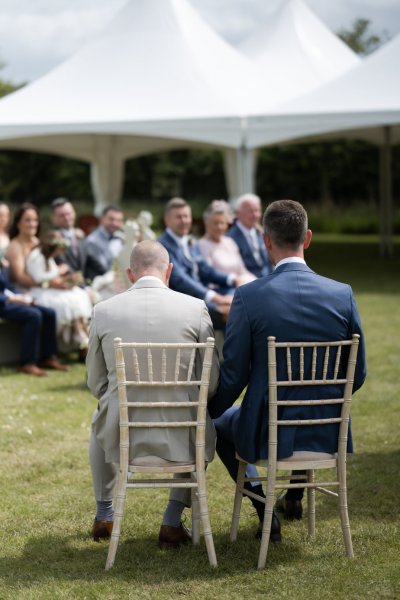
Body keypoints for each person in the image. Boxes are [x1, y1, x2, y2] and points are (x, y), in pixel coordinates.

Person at [208, 199, 367, 540]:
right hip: (326, 431)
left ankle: (265, 511)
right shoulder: (343, 294)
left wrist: (207, 412)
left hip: (266, 431)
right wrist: (322, 404)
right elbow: (359, 372)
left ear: (266, 241)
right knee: (301, 411)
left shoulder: (249, 296)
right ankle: (294, 495)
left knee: (221, 425)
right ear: (307, 238)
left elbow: (233, 374)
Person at [87, 240, 219, 548]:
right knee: (198, 417)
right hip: (183, 436)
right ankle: (172, 520)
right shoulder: (195, 308)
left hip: (123, 434)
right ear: (169, 271)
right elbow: (209, 383)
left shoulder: (103, 310)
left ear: (130, 274)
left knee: (98, 420)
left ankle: (104, 513)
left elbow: (95, 383)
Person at [158, 197, 236, 329]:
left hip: (201, 294)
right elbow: (180, 280)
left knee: (239, 293)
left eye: (186, 216)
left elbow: (205, 269)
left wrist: (232, 279)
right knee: (234, 313)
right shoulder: (162, 245)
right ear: (167, 220)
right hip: (183, 301)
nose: (184, 221)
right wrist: (215, 297)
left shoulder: (189, 241)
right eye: (178, 217)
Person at [0, 258, 69, 376]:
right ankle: (27, 363)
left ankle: (48, 357)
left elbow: (7, 287)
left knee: (49, 312)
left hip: (9, 301)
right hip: (3, 304)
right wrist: (12, 299)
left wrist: (24, 295)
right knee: (34, 315)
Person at [26, 230, 92, 349]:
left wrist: (64, 279)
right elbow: (39, 278)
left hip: (49, 288)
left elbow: (53, 276)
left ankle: (82, 335)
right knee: (67, 302)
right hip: (40, 291)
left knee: (80, 294)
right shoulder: (37, 255)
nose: (60, 252)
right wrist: (59, 271)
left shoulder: (49, 257)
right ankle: (79, 338)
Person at [197, 200, 255, 285]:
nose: (219, 227)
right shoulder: (201, 245)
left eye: (222, 223)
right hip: (222, 289)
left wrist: (257, 282)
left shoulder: (230, 242)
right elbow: (210, 274)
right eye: (215, 223)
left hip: (241, 284)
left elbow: (242, 270)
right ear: (207, 223)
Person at [227, 193, 272, 278]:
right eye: (250, 211)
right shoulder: (230, 238)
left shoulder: (261, 233)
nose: (255, 215)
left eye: (257, 211)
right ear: (238, 213)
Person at [84, 206, 125, 282]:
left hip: (121, 279)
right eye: (111, 219)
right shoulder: (92, 241)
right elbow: (102, 268)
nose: (115, 223)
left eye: (119, 220)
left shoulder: (122, 237)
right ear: (102, 219)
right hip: (102, 283)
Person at [50, 197, 87, 275]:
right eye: (61, 216)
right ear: (53, 218)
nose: (67, 218)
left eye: (68, 214)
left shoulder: (80, 234)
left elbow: (90, 261)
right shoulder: (53, 237)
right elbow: (62, 263)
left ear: (74, 213)